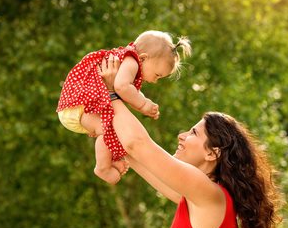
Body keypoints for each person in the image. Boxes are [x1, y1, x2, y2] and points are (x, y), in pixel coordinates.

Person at [99, 56, 283, 228]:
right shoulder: (197, 197)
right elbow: (134, 154)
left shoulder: (207, 193)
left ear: (212, 153)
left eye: (193, 133)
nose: (182, 135)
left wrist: (114, 92)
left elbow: (137, 144)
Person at [56, 30, 191, 185]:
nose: (155, 81)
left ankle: (112, 159)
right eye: (157, 75)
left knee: (116, 129)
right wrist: (144, 104)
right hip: (77, 106)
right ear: (143, 58)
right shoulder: (131, 61)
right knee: (106, 130)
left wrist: (142, 105)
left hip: (80, 106)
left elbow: (126, 91)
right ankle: (103, 168)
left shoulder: (128, 61)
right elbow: (121, 87)